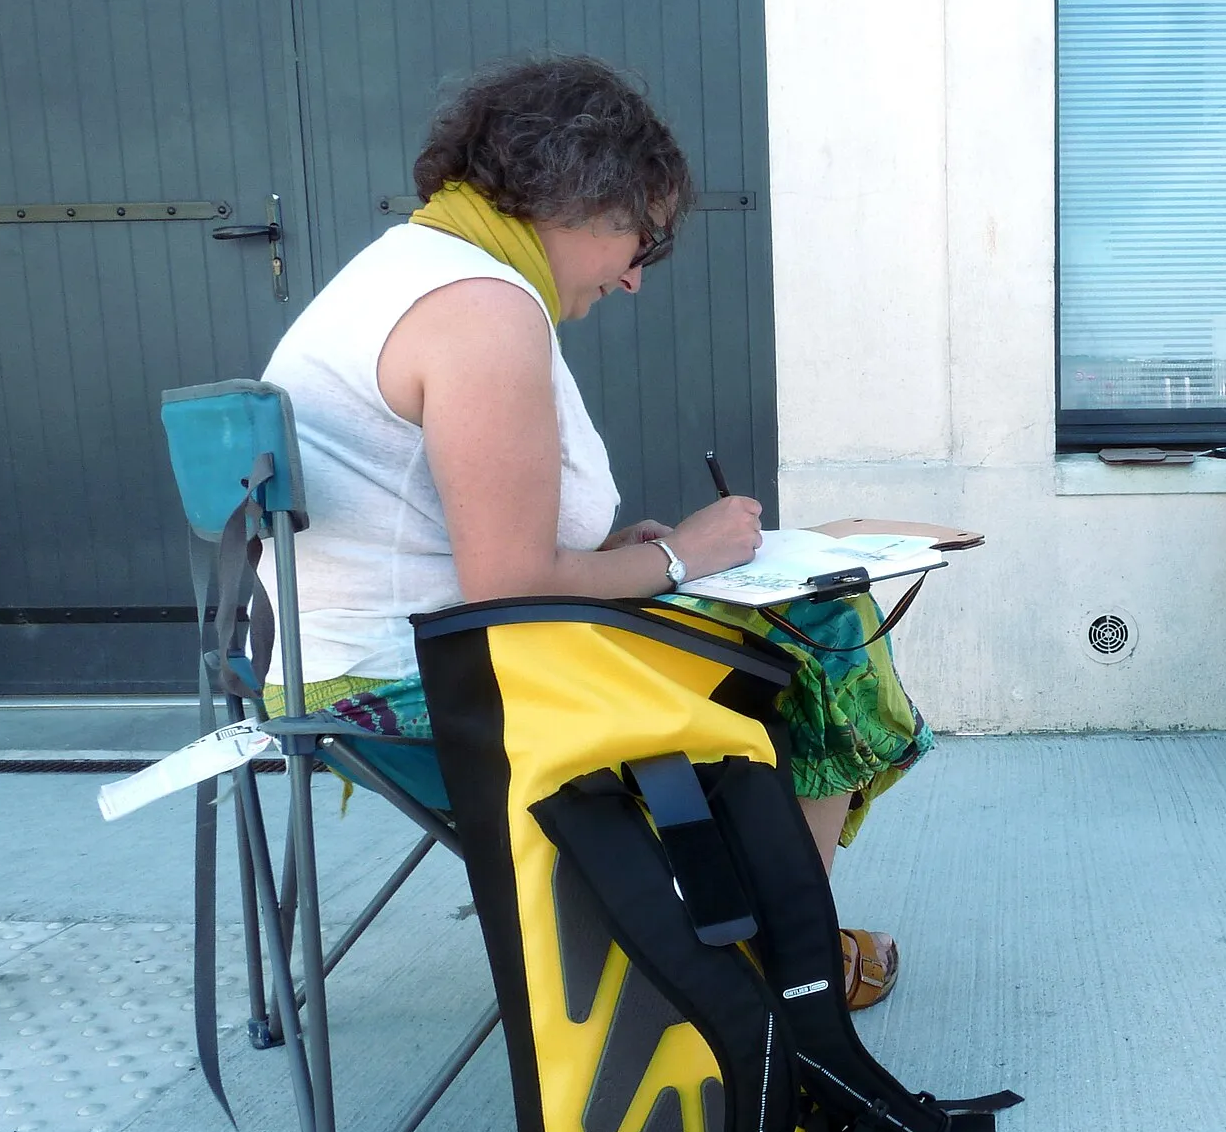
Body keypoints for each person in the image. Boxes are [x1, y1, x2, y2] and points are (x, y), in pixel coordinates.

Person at [256, 55, 917, 1006]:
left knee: (776, 635)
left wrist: (622, 560)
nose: (638, 279)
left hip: (343, 663)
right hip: (418, 693)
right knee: (826, 632)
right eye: (643, 243)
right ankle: (777, 962)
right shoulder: (480, 309)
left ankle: (751, 923)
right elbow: (509, 583)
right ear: (581, 199)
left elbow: (450, 537)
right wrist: (681, 557)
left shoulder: (411, 269)